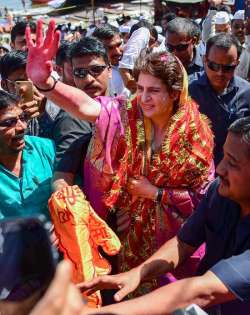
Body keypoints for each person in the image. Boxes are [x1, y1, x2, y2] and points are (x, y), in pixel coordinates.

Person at [25, 19, 214, 296]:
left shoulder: (195, 135)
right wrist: (47, 82)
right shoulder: (128, 114)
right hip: (130, 243)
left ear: (175, 93)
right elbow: (88, 107)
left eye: (154, 90)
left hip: (180, 249)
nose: (144, 97)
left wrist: (156, 193)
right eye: (141, 88)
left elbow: (204, 198)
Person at [189, 33, 250, 167]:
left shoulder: (247, 93)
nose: (220, 73)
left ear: (237, 64)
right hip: (193, 170)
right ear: (205, 60)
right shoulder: (188, 89)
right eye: (214, 66)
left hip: (231, 172)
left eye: (228, 68)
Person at [0, 90, 55, 219]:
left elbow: (75, 196)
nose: (22, 127)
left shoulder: (46, 149)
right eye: (9, 122)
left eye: (23, 117)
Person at [0, 50, 60, 138]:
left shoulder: (53, 105)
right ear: (4, 85)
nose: (31, 87)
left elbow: (55, 142)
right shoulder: (2, 113)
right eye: (20, 83)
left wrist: (43, 115)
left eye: (33, 79)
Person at [92, 25, 129, 97]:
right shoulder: (99, 77)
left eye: (119, 45)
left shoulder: (133, 65)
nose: (118, 52)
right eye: (110, 48)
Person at [165, 17, 204, 82]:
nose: (175, 53)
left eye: (180, 47)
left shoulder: (207, 66)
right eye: (170, 47)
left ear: (194, 41)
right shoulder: (161, 63)